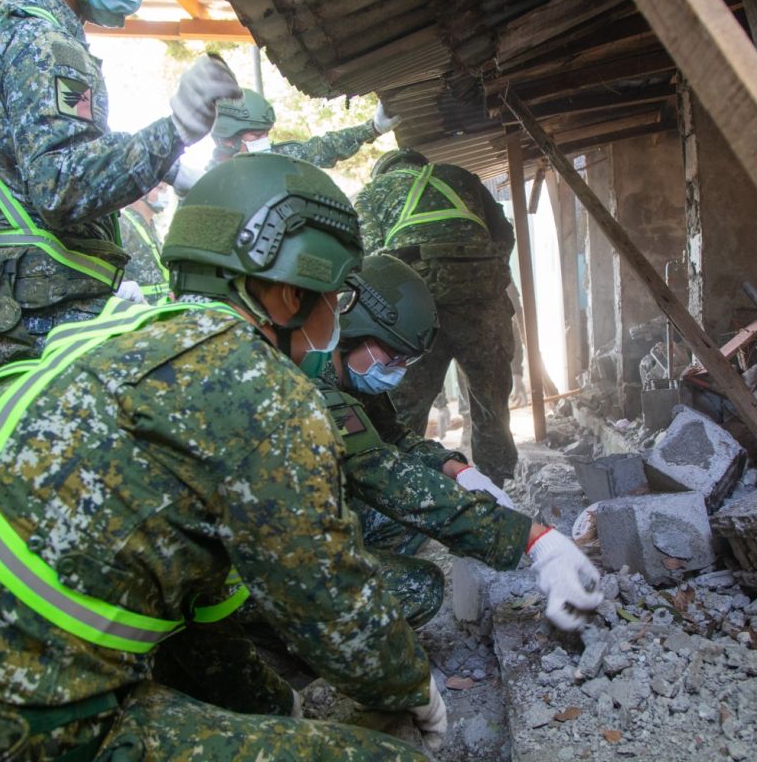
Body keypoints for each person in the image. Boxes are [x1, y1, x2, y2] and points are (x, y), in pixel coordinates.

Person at [0, 155, 443, 760]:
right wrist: (414, 690)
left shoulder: (110, 336)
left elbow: (200, 630)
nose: (336, 313)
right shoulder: (264, 394)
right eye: (333, 295)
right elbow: (336, 612)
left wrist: (276, 711)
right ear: (286, 294)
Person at [0, 0, 237, 384]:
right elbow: (60, 187)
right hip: (50, 313)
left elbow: (44, 145)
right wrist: (174, 132)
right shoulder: (44, 42)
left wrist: (172, 167)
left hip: (16, 303)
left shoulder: (0, 26)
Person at [308, 253, 602, 632]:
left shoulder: (348, 372)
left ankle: (354, 560)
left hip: (313, 515)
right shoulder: (314, 392)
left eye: (406, 362)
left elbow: (395, 437)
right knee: (421, 587)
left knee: (416, 518)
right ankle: (283, 640)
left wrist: (458, 471)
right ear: (352, 330)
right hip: (262, 564)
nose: (396, 371)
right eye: (393, 357)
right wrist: (535, 541)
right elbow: (391, 480)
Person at [355, 148, 519, 484]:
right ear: (423, 166)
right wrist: (481, 273)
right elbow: (503, 233)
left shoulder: (372, 192)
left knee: (403, 410)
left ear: (383, 171)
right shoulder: (461, 178)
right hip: (480, 302)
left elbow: (370, 258)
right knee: (491, 401)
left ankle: (403, 491)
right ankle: (496, 485)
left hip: (412, 310)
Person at [210, 88, 401, 168]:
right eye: (257, 135)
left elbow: (324, 148)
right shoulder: (205, 186)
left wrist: (373, 128)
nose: (265, 141)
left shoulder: (278, 160)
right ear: (228, 139)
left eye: (266, 134)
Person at [119, 185, 171, 305]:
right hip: (141, 308)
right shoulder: (123, 224)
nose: (165, 195)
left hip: (161, 305)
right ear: (141, 193)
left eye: (166, 190)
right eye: (160, 188)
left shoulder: (152, 227)